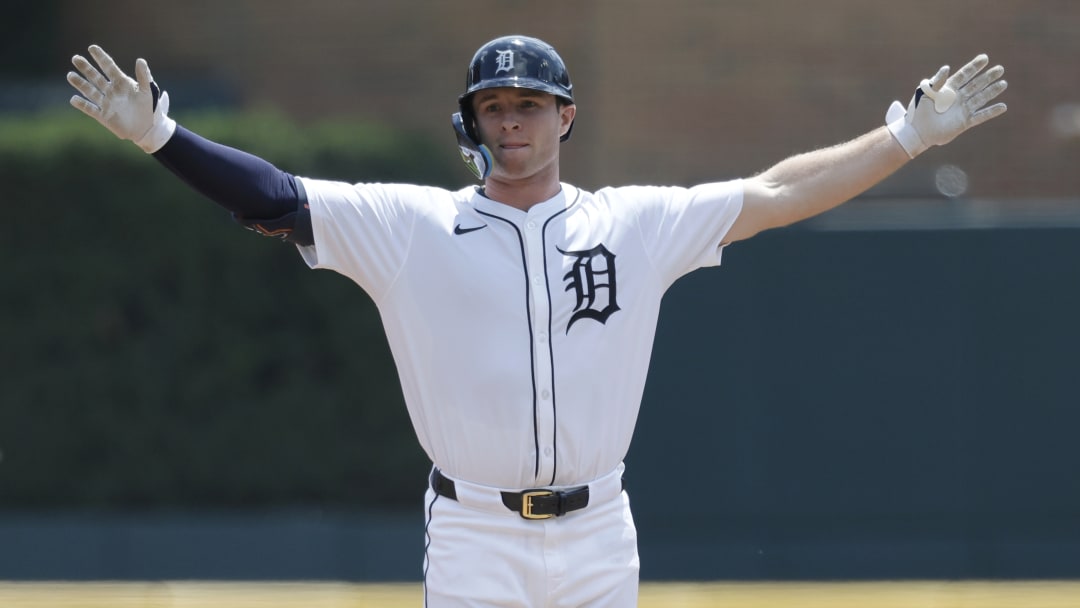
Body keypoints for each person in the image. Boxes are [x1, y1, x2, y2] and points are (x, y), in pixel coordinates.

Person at [67, 35, 1007, 607]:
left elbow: (776, 191)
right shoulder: (413, 227)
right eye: (493, 106)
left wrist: (908, 135)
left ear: (566, 117)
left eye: (529, 105)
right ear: (469, 122)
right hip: (476, 537)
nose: (510, 121)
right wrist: (162, 137)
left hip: (601, 530)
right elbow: (275, 197)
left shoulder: (634, 223)